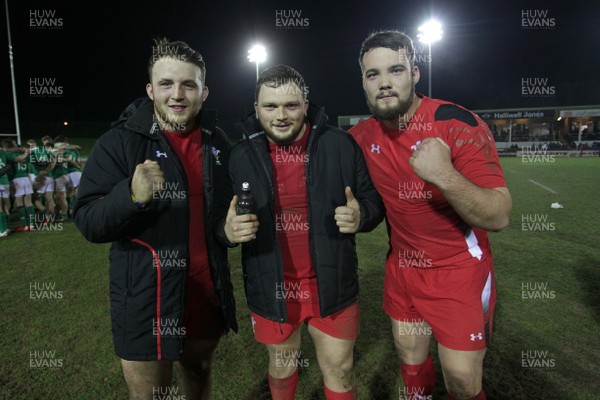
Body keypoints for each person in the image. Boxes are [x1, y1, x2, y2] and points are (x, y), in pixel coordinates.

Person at [349, 31, 512, 400]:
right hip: (402, 268)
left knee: (461, 380)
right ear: (363, 81)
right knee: (411, 361)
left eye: (396, 70)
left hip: (458, 270)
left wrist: (443, 174)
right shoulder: (360, 136)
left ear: (415, 73)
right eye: (373, 75)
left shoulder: (456, 124)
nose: (385, 83)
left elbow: (499, 214)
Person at [73, 37, 237, 400]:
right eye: (166, 83)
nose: (177, 94)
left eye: (188, 84)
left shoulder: (218, 142)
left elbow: (220, 220)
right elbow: (87, 219)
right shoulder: (119, 143)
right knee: (152, 394)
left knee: (199, 370)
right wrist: (130, 196)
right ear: (150, 89)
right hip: (146, 299)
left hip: (206, 294)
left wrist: (226, 232)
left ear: (203, 91)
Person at [225, 65, 384, 400]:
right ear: (256, 109)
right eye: (270, 106)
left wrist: (362, 215)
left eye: (291, 105)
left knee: (340, 370)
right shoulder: (239, 156)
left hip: (332, 285)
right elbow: (218, 226)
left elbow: (371, 202)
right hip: (272, 288)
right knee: (283, 367)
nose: (281, 116)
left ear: (306, 105)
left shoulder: (340, 144)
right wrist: (227, 231)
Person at [1, 139, 33, 232]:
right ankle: (32, 224)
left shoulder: (8, 154)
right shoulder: (22, 152)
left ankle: (24, 225)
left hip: (16, 179)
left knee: (18, 203)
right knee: (28, 202)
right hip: (26, 178)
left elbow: (15, 160)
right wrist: (25, 152)